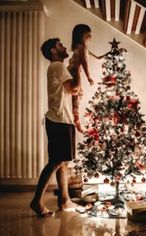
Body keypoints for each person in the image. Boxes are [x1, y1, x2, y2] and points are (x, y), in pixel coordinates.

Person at [30, 38, 80, 217]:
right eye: (60, 45)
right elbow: (74, 89)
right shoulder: (57, 66)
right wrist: (79, 65)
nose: (64, 46)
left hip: (60, 120)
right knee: (56, 161)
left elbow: (69, 90)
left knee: (62, 162)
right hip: (59, 120)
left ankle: (65, 200)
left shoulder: (57, 67)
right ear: (53, 50)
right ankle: (37, 201)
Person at [68, 24, 107, 132]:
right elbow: (84, 63)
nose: (91, 37)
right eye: (88, 34)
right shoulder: (80, 47)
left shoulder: (84, 49)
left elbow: (98, 58)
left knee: (79, 94)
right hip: (73, 72)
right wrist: (89, 77)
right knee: (77, 94)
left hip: (75, 72)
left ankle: (75, 118)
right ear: (81, 35)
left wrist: (110, 53)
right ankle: (76, 120)